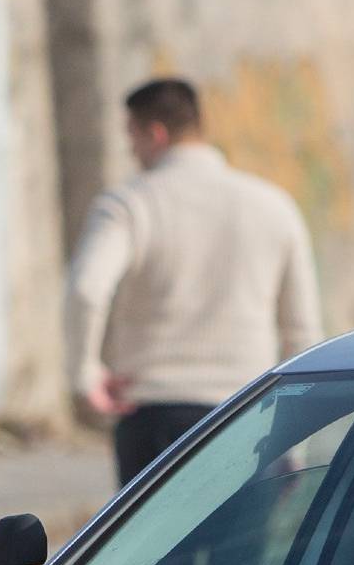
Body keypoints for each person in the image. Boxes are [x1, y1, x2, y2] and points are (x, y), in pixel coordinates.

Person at [65, 76, 323, 485]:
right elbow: (302, 333)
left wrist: (85, 374)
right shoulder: (275, 207)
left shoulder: (129, 205)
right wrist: (296, 443)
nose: (132, 152)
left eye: (132, 138)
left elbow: (85, 288)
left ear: (156, 133)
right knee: (240, 551)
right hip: (248, 416)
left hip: (154, 419)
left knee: (154, 550)